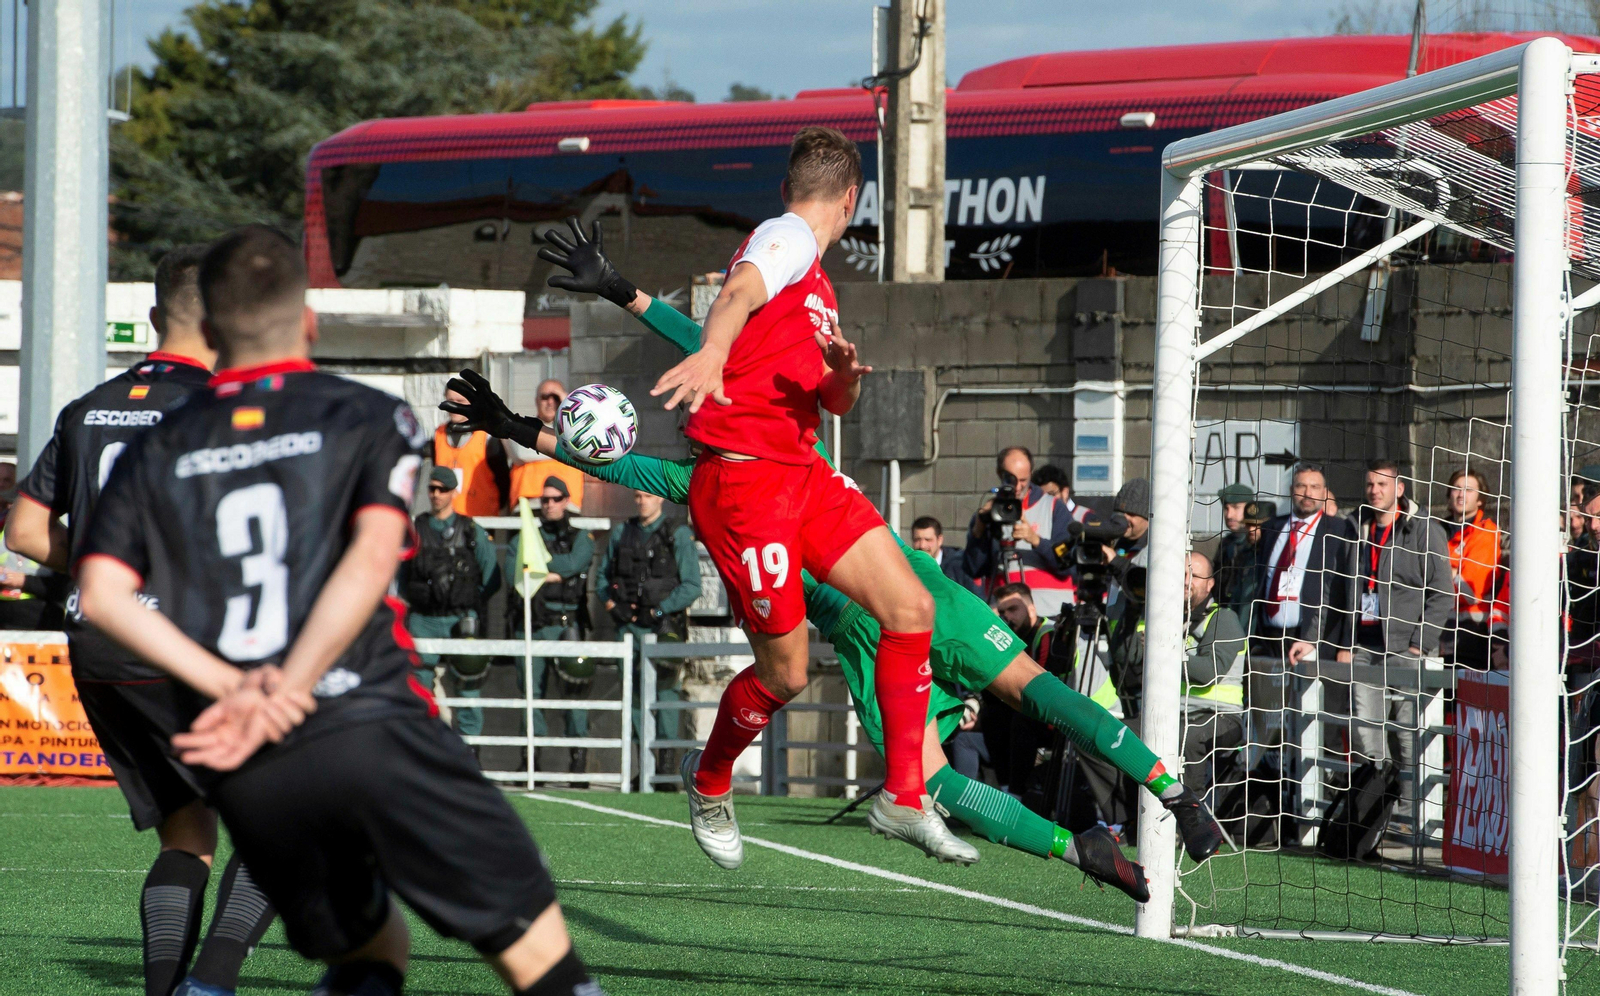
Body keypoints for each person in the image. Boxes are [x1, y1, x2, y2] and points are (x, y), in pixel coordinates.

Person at [440, 265, 1225, 870]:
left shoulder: (800, 438)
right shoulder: (727, 482)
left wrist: (620, 292)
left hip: (927, 596)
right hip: (859, 630)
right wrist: (517, 426)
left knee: (1040, 694)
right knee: (929, 779)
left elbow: (706, 348)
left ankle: (1173, 790)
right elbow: (636, 467)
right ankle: (1076, 850)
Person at [76, 225, 598, 996]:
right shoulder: (365, 415)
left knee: (368, 947)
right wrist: (295, 680)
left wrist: (233, 687)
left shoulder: (162, 442)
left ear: (211, 332)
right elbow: (370, 557)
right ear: (309, 322)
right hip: (371, 724)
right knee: (539, 956)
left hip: (254, 760)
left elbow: (104, 595)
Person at [643, 126, 964, 865]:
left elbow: (830, 402)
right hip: (745, 482)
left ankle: (904, 797)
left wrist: (843, 378)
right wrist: (713, 350)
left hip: (801, 469)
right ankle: (711, 778)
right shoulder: (784, 239)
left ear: (789, 183)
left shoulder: (817, 285)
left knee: (909, 608)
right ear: (852, 199)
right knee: (787, 672)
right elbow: (736, 290)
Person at [4, 244, 277, 996]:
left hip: (99, 645)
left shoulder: (87, 408)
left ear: (155, 317)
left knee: (187, 834)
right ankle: (211, 981)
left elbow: (23, 534)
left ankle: (165, 991)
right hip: (191, 642)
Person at [1331, 460, 1452, 831]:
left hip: (1405, 648)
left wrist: (1420, 643)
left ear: (1399, 488)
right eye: (1369, 484)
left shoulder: (1422, 530)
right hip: (1364, 646)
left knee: (1405, 731)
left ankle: (1413, 813)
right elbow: (1340, 589)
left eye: (1382, 484)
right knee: (1365, 729)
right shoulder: (1355, 527)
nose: (1374, 491)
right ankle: (1376, 812)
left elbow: (1442, 593)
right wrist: (1344, 641)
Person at [599, 487, 700, 766]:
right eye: (638, 497)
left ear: (661, 499)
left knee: (665, 693)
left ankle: (666, 765)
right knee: (633, 695)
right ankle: (642, 763)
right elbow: (602, 580)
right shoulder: (622, 533)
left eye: (648, 496)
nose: (642, 502)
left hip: (664, 629)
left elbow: (692, 586)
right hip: (630, 630)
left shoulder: (676, 535)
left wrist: (659, 610)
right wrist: (614, 607)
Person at [401, 466, 501, 742]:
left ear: (453, 492)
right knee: (417, 686)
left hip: (461, 618)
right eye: (431, 489)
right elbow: (402, 579)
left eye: (442, 489)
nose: (435, 494)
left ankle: (470, 749)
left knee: (468, 685)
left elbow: (492, 576)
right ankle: (422, 745)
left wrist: (468, 600)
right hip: (425, 618)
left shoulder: (471, 530)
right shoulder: (416, 529)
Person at [508, 475, 594, 774]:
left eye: (555, 499)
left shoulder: (581, 537)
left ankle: (578, 761)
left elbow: (574, 564)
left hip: (567, 624)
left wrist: (542, 568)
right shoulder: (525, 536)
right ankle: (530, 760)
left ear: (567, 501)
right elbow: (514, 573)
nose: (549, 505)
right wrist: (556, 571)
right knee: (531, 694)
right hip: (533, 622)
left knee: (574, 693)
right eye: (544, 499)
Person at [1256, 464, 1356, 666]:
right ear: (1292, 490)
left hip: (1311, 639)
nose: (1308, 493)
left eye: (1315, 487)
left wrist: (1346, 643)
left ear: (1325, 492)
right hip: (1268, 639)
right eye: (1301, 486)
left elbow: (1348, 589)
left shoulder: (1339, 529)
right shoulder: (1271, 528)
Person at [963, 445, 1078, 617]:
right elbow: (973, 569)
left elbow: (1068, 563)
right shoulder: (991, 511)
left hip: (1049, 614)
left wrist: (1035, 540)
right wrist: (978, 531)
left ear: (1031, 473)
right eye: (1010, 479)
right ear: (999, 474)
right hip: (1004, 615)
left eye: (1023, 480)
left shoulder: (1053, 507)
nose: (1017, 486)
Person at [1179, 552, 1248, 805]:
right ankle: (1124, 820)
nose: (1186, 581)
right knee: (1109, 735)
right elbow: (1131, 669)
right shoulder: (1163, 619)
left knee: (1186, 735)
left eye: (1194, 575)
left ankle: (1192, 817)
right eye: (1182, 574)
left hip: (1222, 717)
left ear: (1210, 584)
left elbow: (1207, 674)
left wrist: (1166, 654)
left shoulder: (1223, 619)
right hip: (1175, 714)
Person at [1441, 466, 1504, 669]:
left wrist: (1438, 571)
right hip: (1437, 637)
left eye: (1468, 490)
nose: (1461, 494)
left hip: (1470, 640)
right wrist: (1451, 572)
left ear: (1480, 500)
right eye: (1457, 488)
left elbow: (1470, 592)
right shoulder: (1436, 530)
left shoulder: (1486, 533)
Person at [508, 379, 584, 511]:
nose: (550, 402)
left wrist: (569, 407)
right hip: (528, 505)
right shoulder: (521, 427)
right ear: (536, 400)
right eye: (545, 397)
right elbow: (520, 453)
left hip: (567, 505)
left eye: (556, 397)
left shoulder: (576, 430)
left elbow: (584, 448)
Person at [433, 387, 510, 517]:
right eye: (450, 400)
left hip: (481, 519)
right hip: (447, 519)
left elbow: (504, 480)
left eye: (460, 401)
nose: (454, 406)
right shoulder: (437, 435)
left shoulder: (487, 435)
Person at [910, 514, 980, 596]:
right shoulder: (907, 566)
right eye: (917, 540)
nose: (922, 545)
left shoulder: (961, 566)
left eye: (928, 540)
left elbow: (978, 599)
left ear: (939, 540)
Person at [1212, 482, 1254, 612]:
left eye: (1236, 508)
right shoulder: (1226, 544)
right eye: (1226, 508)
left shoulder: (1257, 544)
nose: (1229, 515)